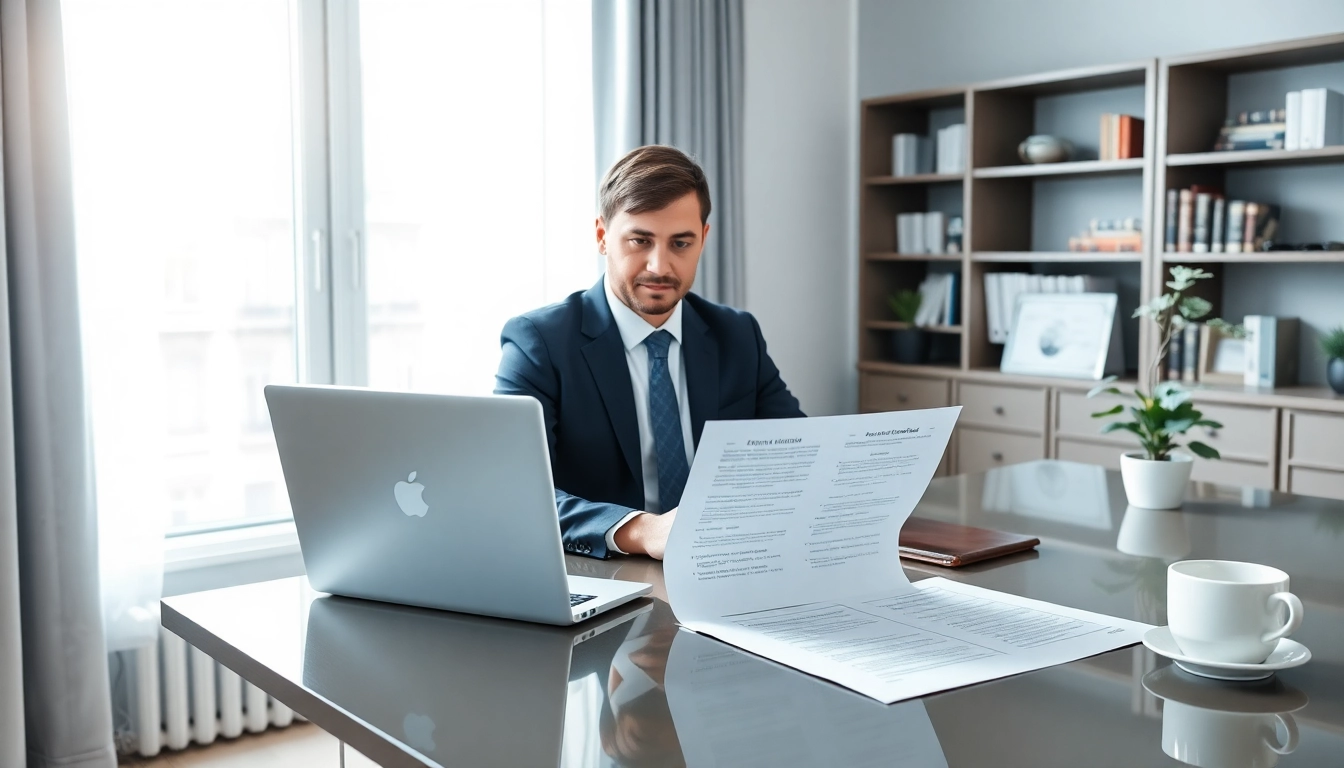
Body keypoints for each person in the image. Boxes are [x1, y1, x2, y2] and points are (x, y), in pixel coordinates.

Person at [495, 145, 803, 560]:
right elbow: (515, 490)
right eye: (640, 240)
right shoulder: (539, 342)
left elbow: (799, 456)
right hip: (603, 574)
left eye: (681, 243)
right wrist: (642, 531)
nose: (660, 266)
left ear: (703, 240)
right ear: (603, 236)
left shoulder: (736, 334)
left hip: (725, 564)